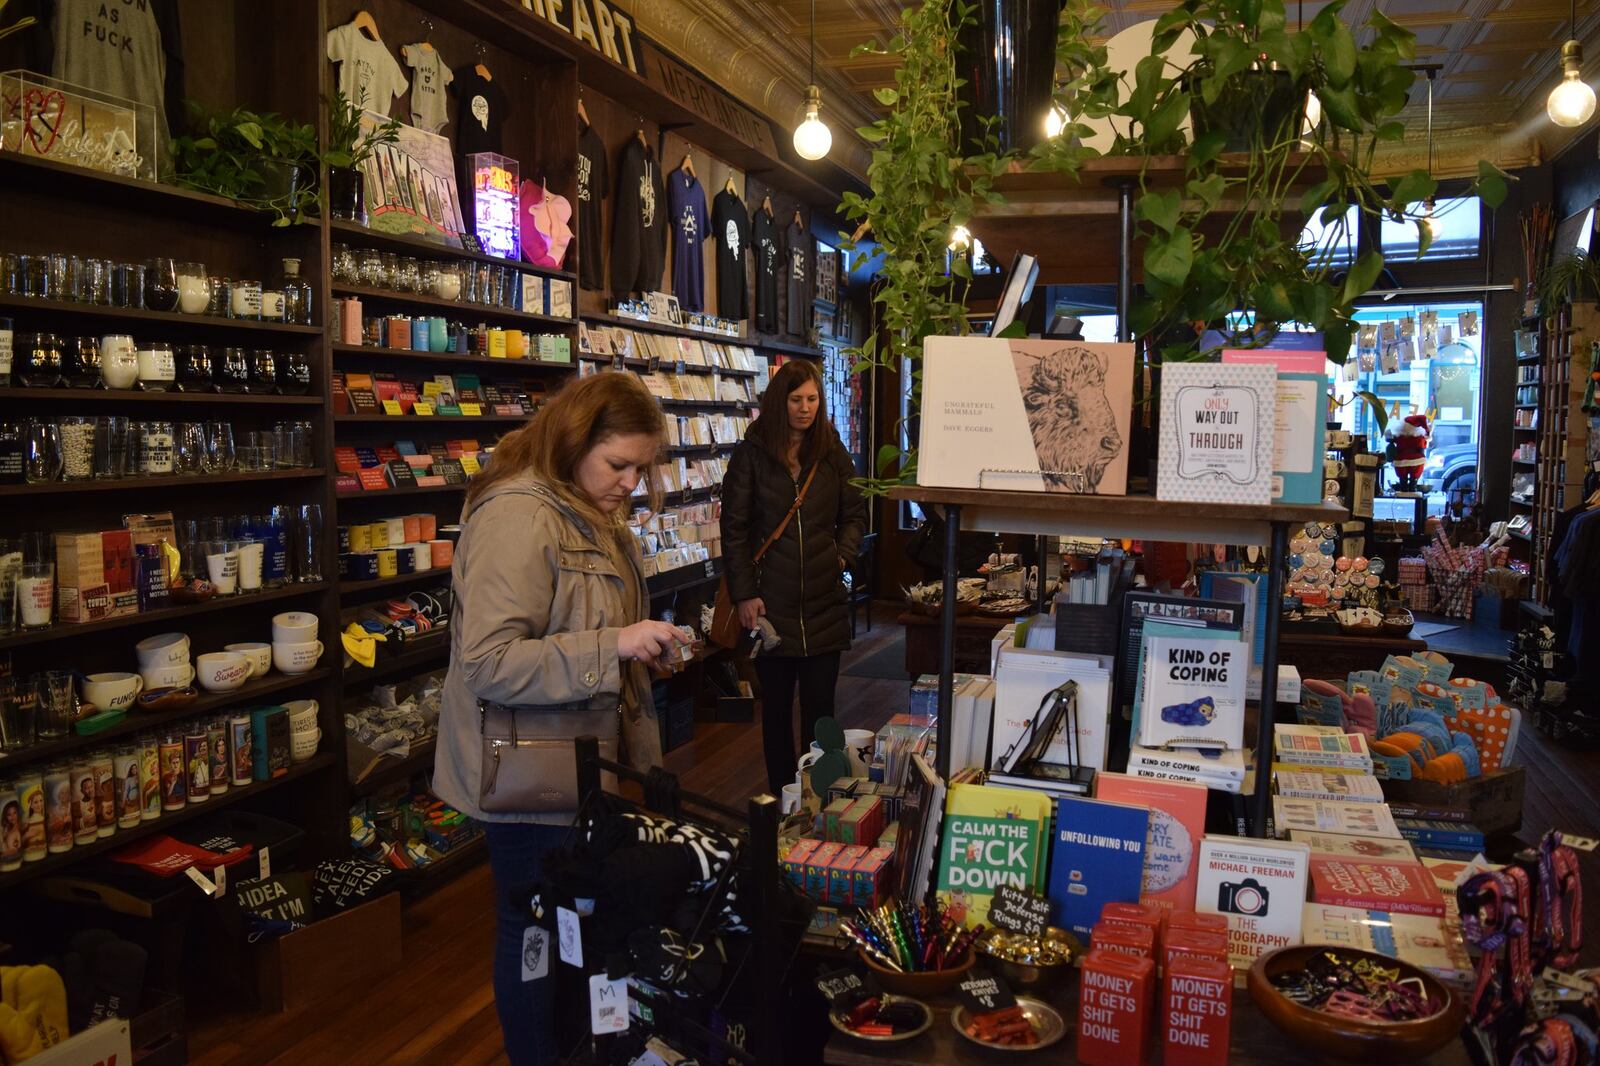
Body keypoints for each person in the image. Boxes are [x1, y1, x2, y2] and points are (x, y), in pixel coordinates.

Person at [433, 371, 683, 1066]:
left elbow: (575, 625)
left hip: (573, 767)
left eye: (642, 467)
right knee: (533, 928)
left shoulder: (580, 506)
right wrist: (614, 645)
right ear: (576, 441)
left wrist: (640, 648)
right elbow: (487, 661)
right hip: (526, 778)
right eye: (620, 464)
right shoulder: (521, 516)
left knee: (568, 921)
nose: (632, 481)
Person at [721, 359, 866, 794]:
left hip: (824, 601)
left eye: (812, 399)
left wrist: (841, 556)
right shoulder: (751, 455)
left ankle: (820, 796)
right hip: (771, 606)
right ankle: (784, 798)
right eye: (796, 399)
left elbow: (855, 513)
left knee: (822, 712)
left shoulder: (831, 450)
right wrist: (745, 594)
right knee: (778, 711)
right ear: (779, 402)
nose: (805, 408)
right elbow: (735, 529)